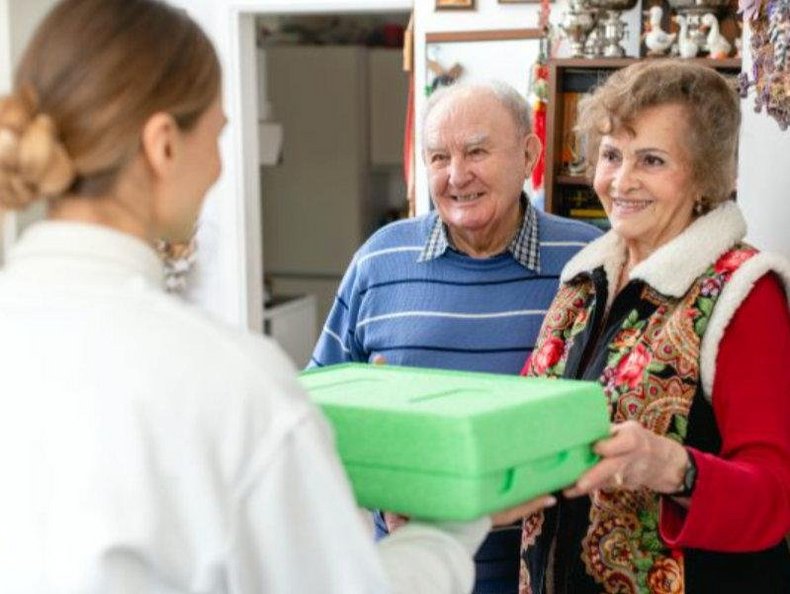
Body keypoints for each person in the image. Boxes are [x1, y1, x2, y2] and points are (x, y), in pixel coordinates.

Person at [0, 1, 554, 592]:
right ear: (163, 146)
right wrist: (451, 523)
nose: (218, 167)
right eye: (217, 135)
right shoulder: (227, 380)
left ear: (527, 155)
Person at [311, 81, 602, 593]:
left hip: (552, 576)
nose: (456, 175)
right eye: (439, 157)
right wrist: (380, 486)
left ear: (528, 153)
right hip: (410, 573)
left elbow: (619, 406)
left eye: (476, 151)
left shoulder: (588, 261)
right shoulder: (380, 259)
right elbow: (314, 416)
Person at [518, 60, 790, 594]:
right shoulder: (580, 284)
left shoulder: (743, 293)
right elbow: (523, 442)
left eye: (652, 160)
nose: (621, 181)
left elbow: (776, 497)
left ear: (704, 177)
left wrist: (673, 467)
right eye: (612, 155)